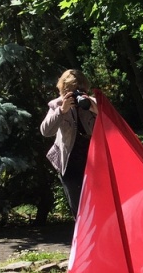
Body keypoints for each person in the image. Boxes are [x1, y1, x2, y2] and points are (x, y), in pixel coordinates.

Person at [40, 69, 99, 217]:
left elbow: (114, 125)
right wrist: (62, 110)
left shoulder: (92, 103)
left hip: (94, 161)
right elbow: (46, 131)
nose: (75, 95)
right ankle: (83, 238)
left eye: (79, 90)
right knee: (78, 208)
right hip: (69, 162)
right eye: (71, 91)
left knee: (98, 205)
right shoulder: (56, 105)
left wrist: (95, 108)